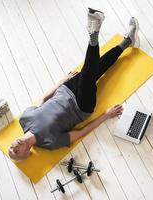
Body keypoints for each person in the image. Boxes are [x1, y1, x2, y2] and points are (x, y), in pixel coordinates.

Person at [8, 8, 140, 160]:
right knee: (89, 71)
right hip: (81, 106)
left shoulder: (24, 119)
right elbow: (80, 132)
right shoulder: (49, 143)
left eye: (11, 147)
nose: (14, 147)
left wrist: (62, 81)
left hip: (65, 89)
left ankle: (128, 40)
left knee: (96, 67)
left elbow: (43, 100)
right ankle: (94, 34)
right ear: (27, 153)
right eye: (16, 151)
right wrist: (106, 115)